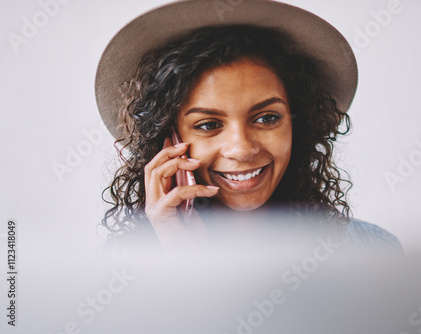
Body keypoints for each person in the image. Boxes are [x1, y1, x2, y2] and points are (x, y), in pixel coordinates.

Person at [95, 0, 402, 252]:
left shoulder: (370, 251)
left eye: (267, 118)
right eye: (209, 124)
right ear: (169, 140)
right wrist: (182, 263)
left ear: (299, 124)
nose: (241, 149)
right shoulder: (123, 268)